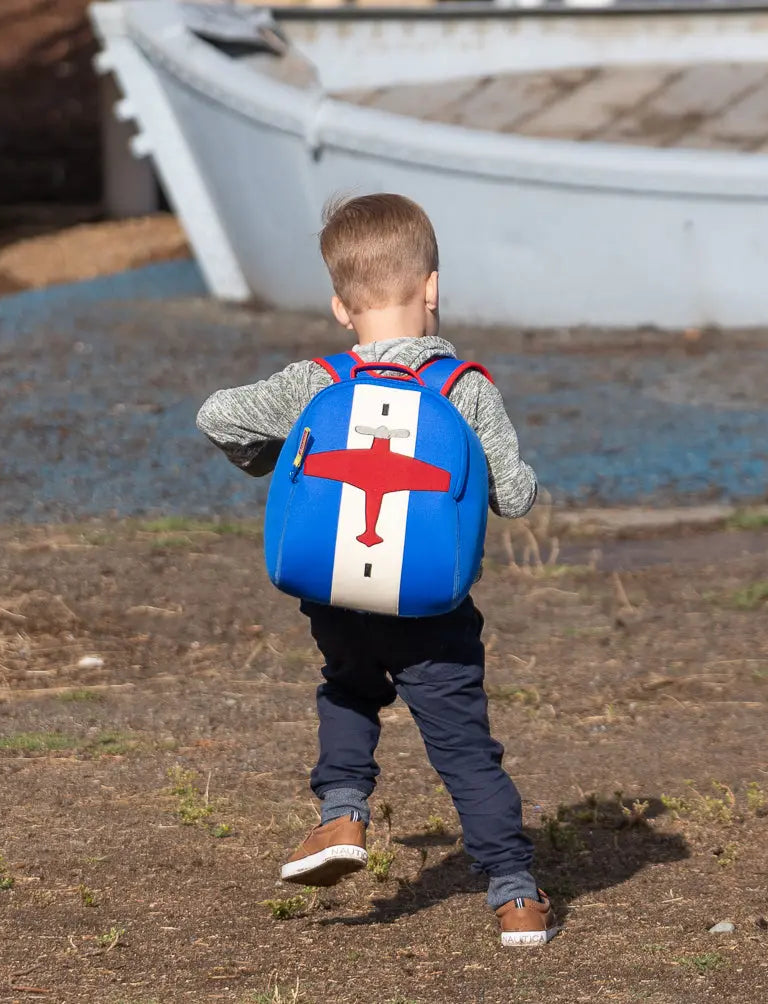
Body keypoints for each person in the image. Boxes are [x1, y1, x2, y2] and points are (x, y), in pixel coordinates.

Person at [196, 193, 555, 947]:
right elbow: (516, 497)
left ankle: (342, 814)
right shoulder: (466, 388)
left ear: (338, 306)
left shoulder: (316, 383)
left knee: (349, 689)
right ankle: (516, 894)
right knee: (464, 750)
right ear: (432, 291)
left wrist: (273, 454)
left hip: (339, 596)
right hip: (432, 611)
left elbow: (217, 416)